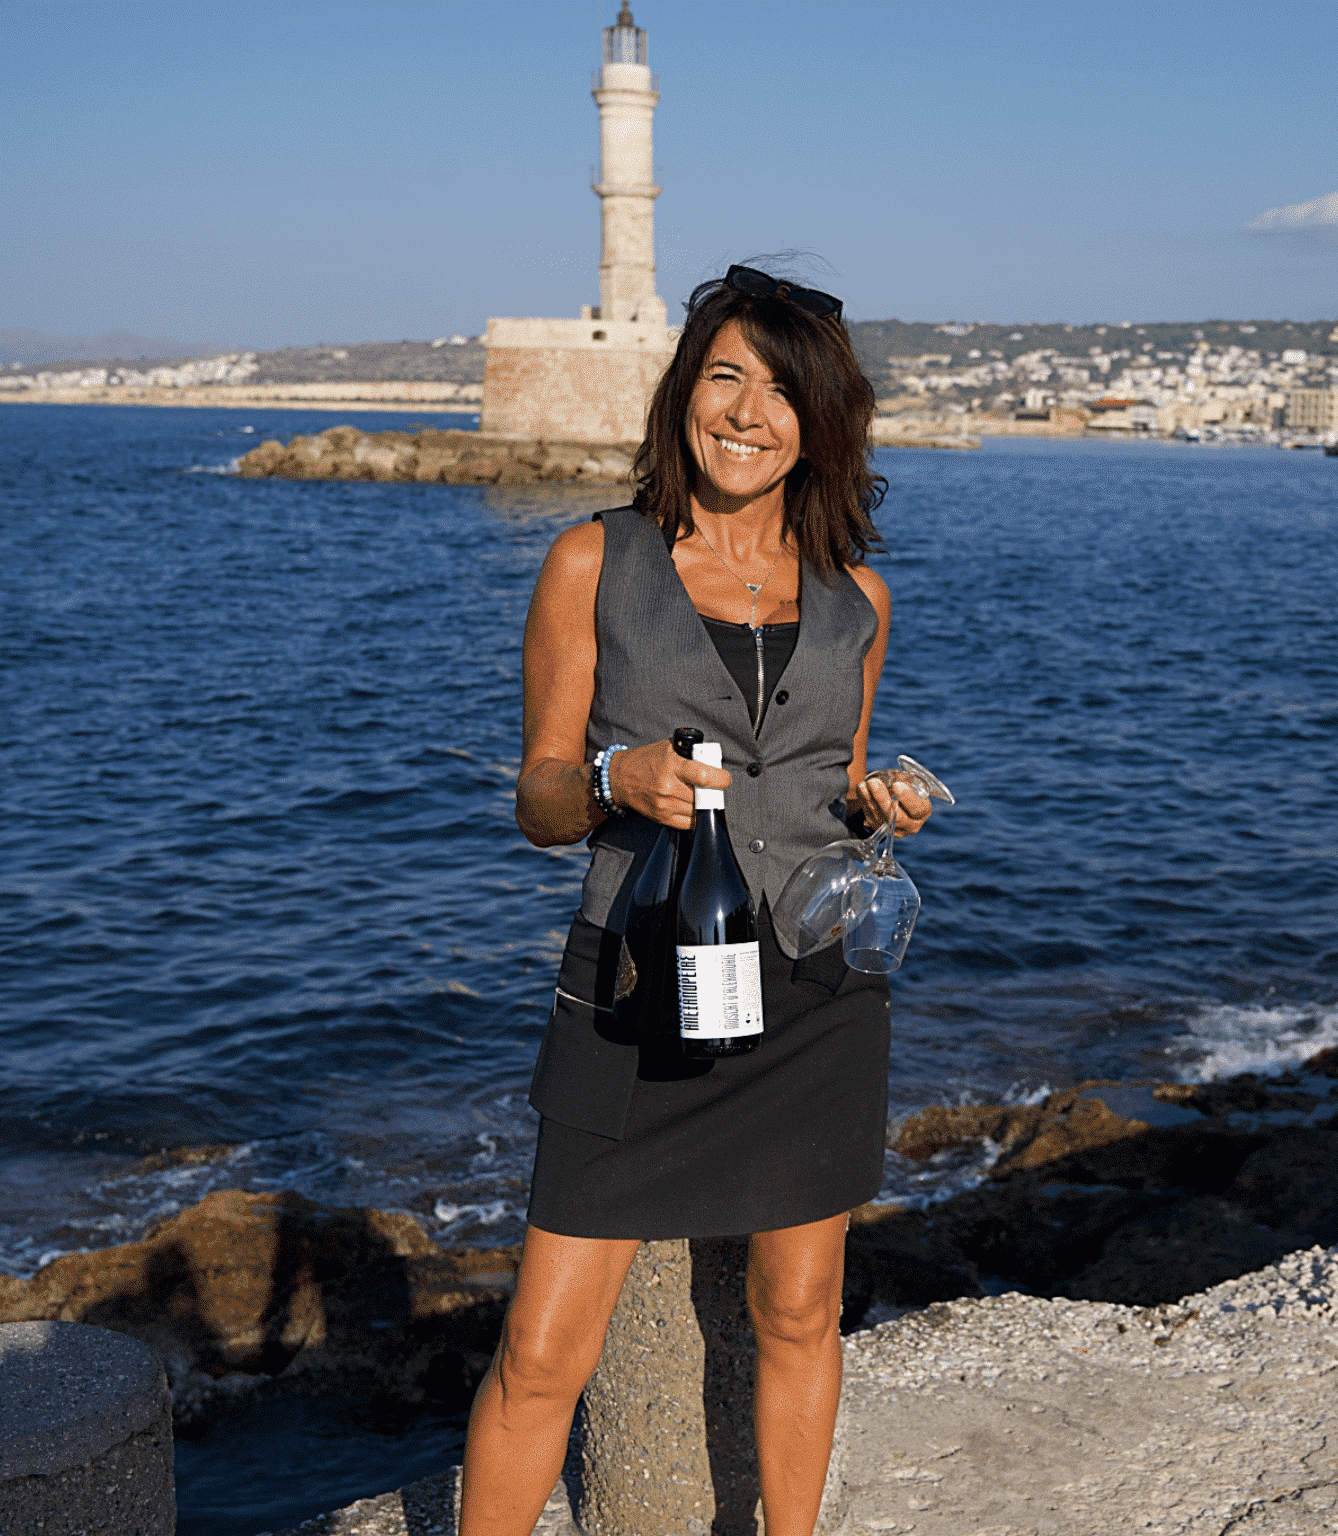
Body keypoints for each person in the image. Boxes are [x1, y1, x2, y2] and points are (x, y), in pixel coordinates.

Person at [460, 266, 932, 1536]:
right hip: (634, 986)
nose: (746, 410)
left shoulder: (858, 600)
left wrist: (878, 801)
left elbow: (827, 787)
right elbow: (540, 797)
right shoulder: (590, 560)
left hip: (817, 995)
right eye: (725, 374)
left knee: (797, 1308)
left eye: (781, 389)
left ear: (820, 421)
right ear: (682, 394)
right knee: (543, 1348)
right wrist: (619, 777)